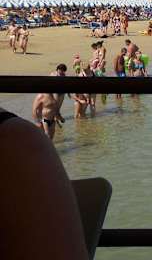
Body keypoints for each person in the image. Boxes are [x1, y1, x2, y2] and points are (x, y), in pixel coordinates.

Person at [0, 108, 89, 260]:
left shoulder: (16, 140)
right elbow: (35, 110)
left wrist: (58, 115)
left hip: (40, 131)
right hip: (44, 123)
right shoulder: (18, 140)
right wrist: (38, 121)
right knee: (49, 135)